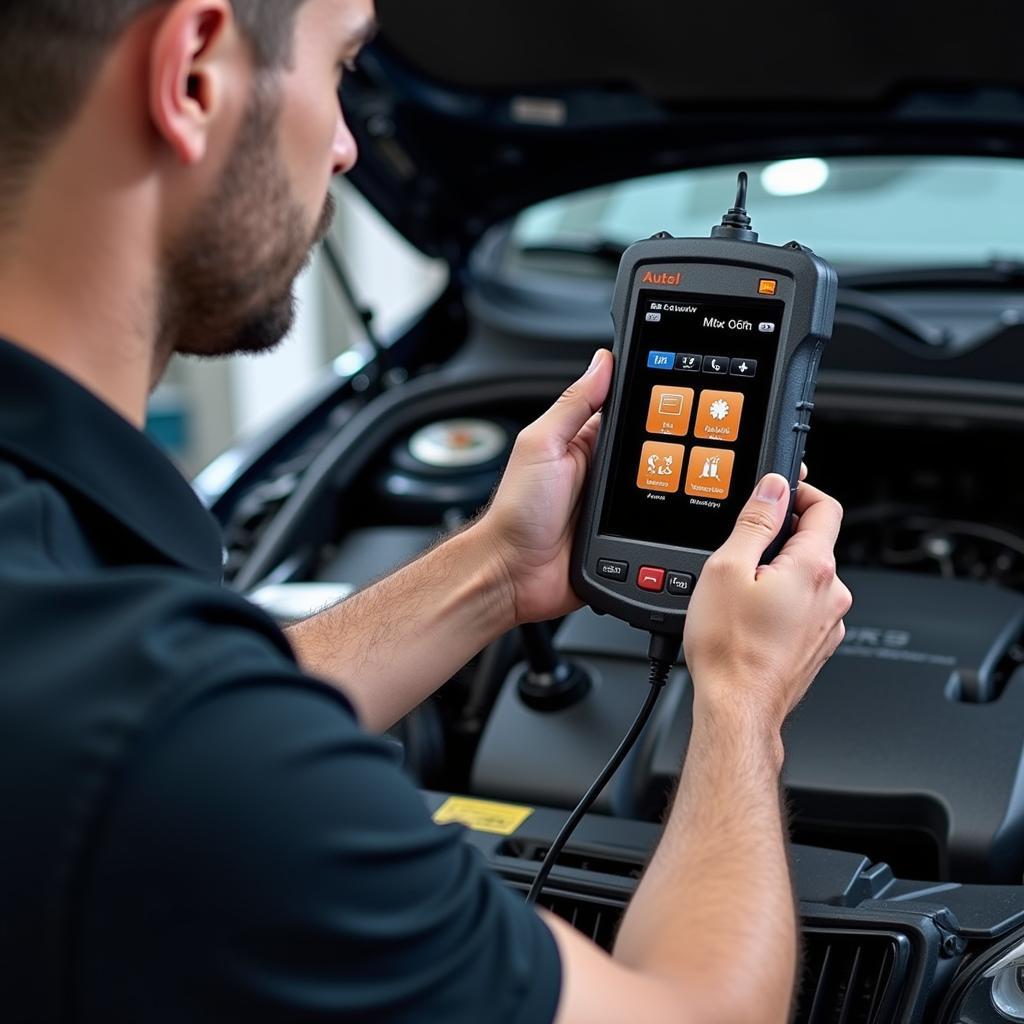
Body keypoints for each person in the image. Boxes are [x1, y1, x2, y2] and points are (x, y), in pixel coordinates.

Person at [0, 1, 852, 1021]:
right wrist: (740, 704)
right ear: (193, 76)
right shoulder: (170, 741)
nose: (353, 145)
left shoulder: (74, 625)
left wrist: (496, 569)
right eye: (341, 69)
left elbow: (170, 718)